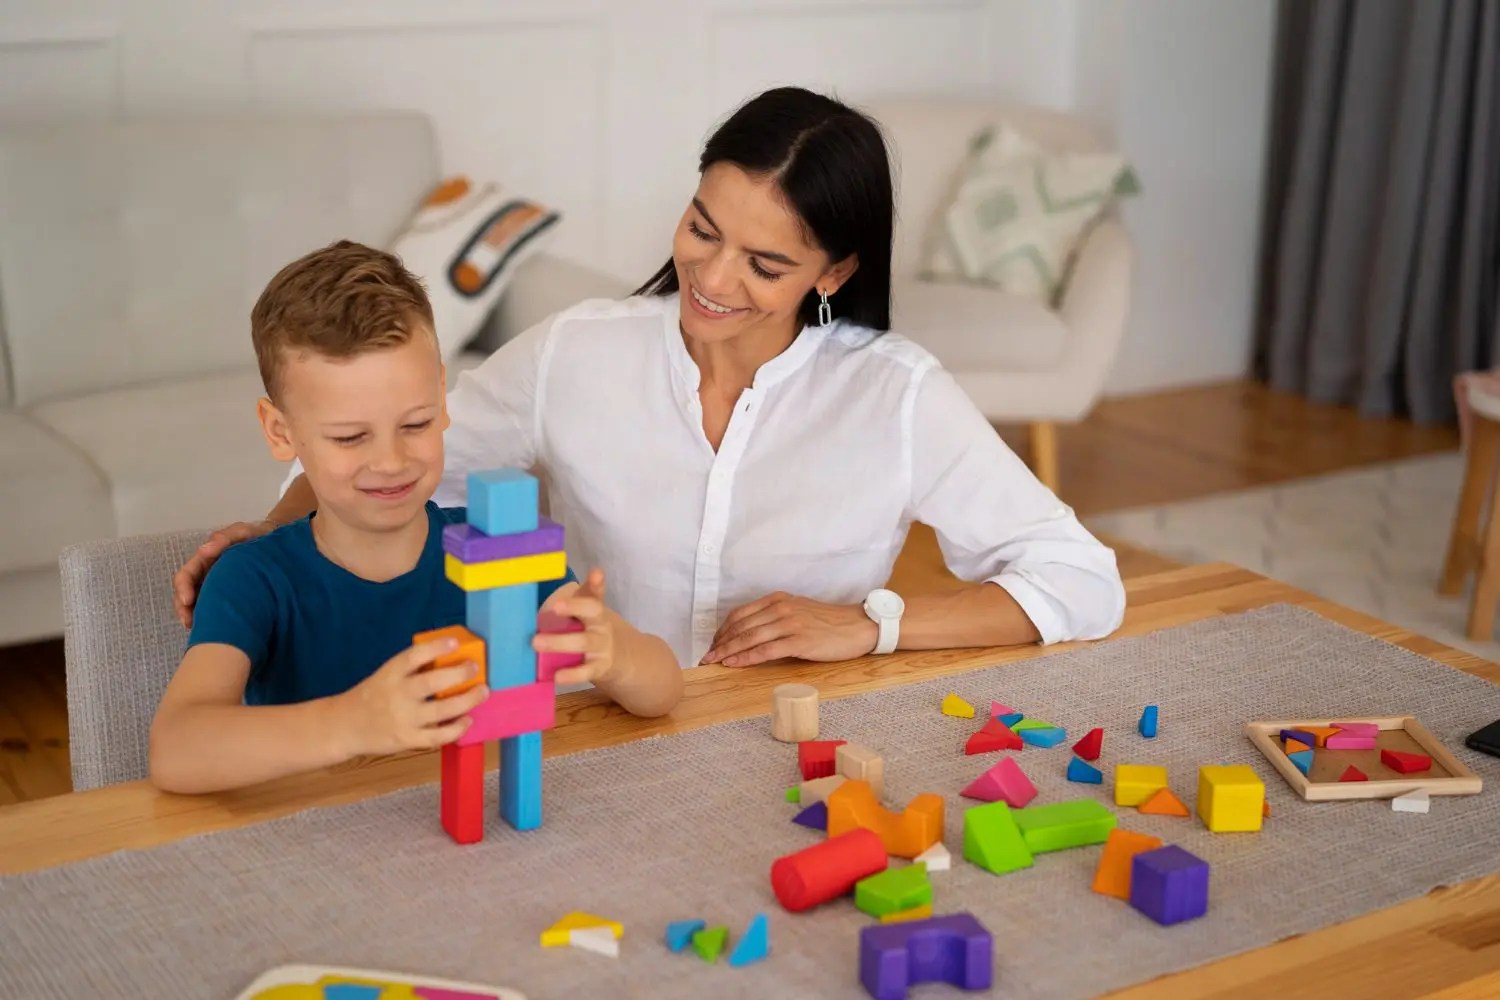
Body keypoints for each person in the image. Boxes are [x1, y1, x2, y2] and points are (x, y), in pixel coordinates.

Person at [171, 86, 1126, 675]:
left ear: (832, 273)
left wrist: (870, 627)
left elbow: (1082, 581)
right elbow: (405, 457)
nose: (711, 281)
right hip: (599, 731)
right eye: (703, 229)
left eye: (765, 264)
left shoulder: (896, 396)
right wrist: (268, 534)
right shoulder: (578, 353)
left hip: (798, 740)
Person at [149, 241, 682, 795]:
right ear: (281, 432)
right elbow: (176, 749)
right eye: (351, 436)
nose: (391, 461)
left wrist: (614, 654)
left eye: (416, 424)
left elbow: (663, 690)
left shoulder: (499, 544)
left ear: (442, 401)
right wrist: (356, 722)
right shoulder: (254, 578)